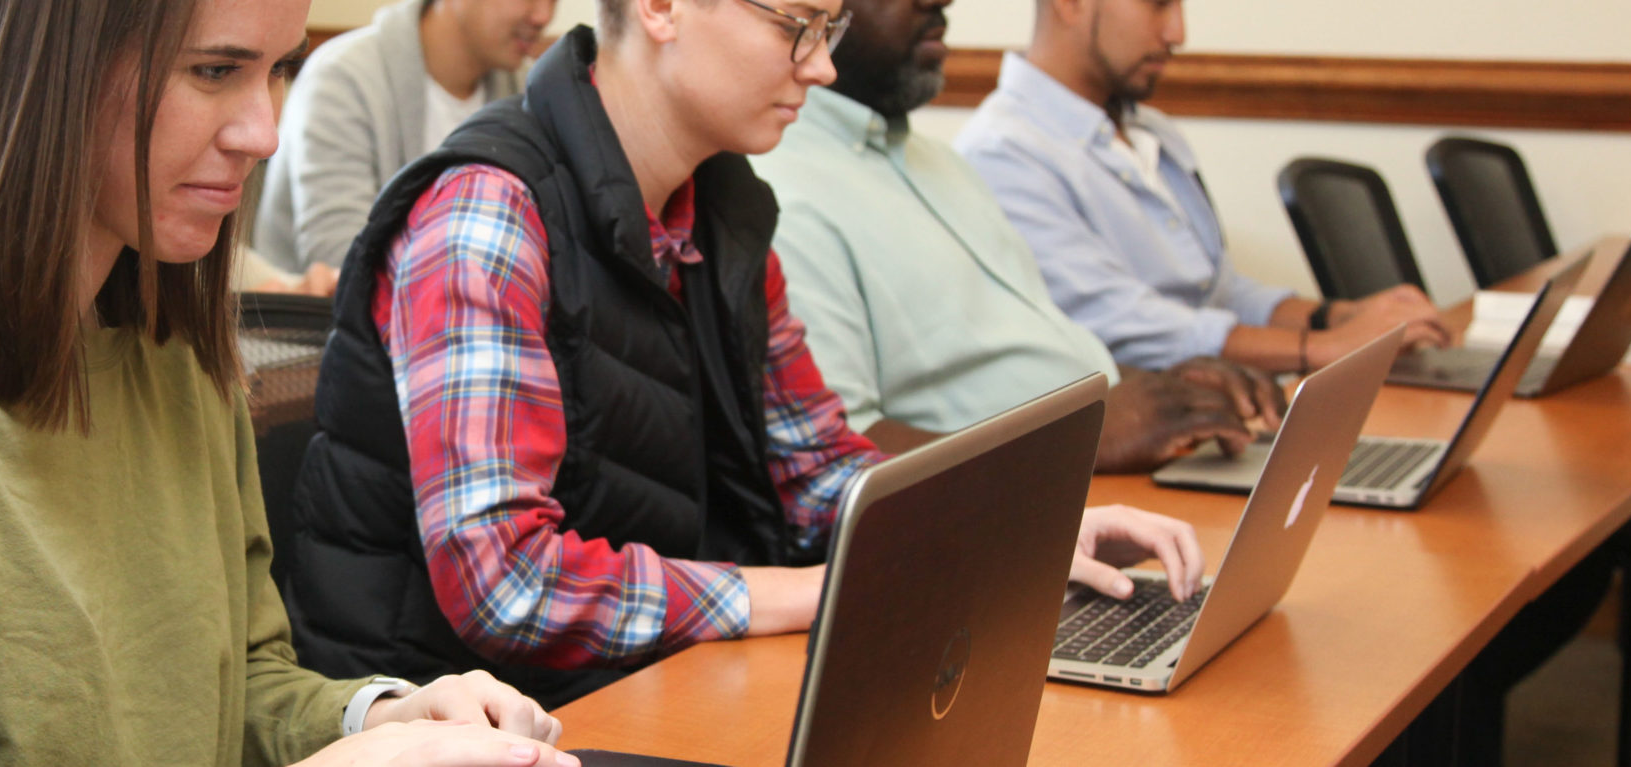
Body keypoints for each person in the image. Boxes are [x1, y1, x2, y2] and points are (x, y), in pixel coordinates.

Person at [0, 0, 574, 763]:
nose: (264, 132)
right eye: (215, 71)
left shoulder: (164, 320)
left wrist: (387, 721)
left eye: (280, 69)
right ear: (54, 59)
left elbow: (236, 689)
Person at [286, 0, 1203, 708]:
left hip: (632, 690)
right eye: (797, 25)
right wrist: (807, 594)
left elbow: (818, 469)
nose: (826, 63)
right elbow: (506, 584)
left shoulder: (720, 210)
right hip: (457, 722)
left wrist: (1013, 531)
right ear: (662, 9)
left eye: (831, 25)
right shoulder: (489, 210)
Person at [753, 0, 1285, 472]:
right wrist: (1079, 438)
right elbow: (841, 456)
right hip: (1003, 506)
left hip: (1089, 472)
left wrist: (1164, 394)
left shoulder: (940, 163)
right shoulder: (780, 193)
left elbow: (1037, 351)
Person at [950, 0, 1447, 373]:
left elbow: (1218, 292)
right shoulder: (1002, 153)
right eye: (1158, 3)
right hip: (1130, 451)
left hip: (1226, 408)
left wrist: (1336, 317)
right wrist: (1320, 350)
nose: (1178, 32)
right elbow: (1122, 327)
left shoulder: (1154, 134)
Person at [253, 0, 554, 273]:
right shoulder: (342, 77)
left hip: (480, 321)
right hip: (313, 327)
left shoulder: (531, 92)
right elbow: (341, 257)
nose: (543, 16)